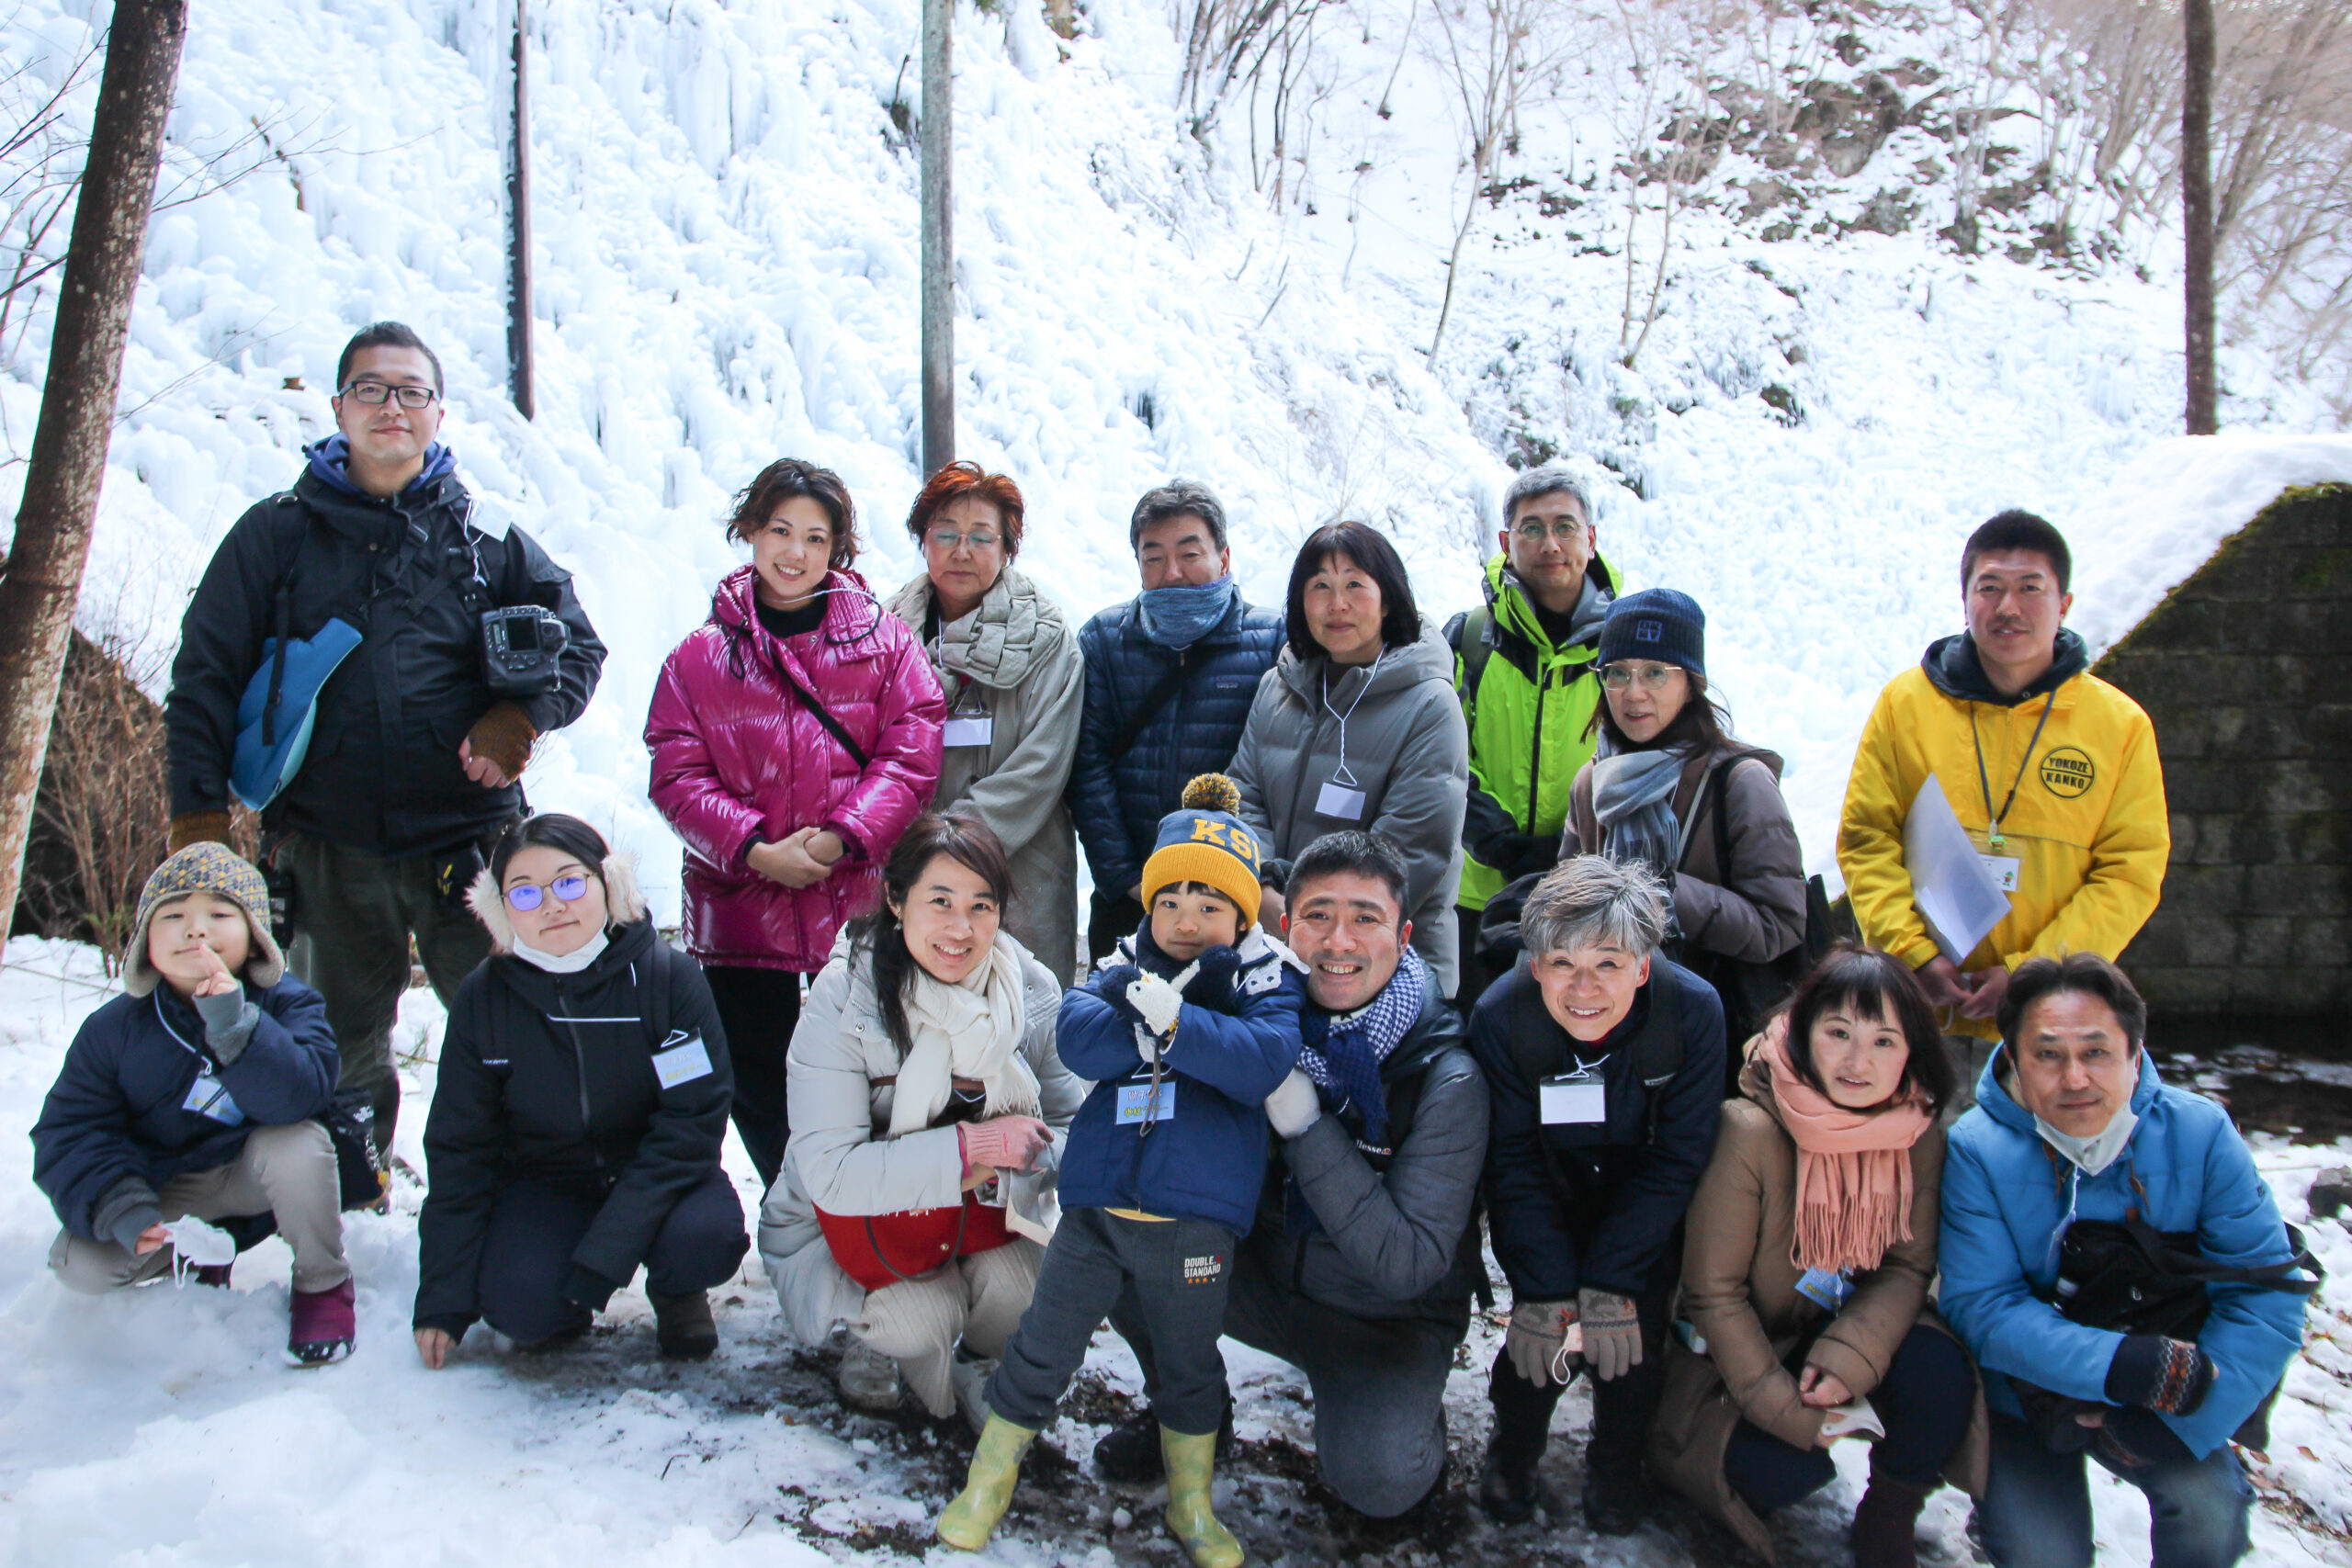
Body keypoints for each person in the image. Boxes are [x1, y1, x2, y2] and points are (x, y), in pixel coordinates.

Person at [165, 321, 607, 1162]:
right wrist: (198, 819)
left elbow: (579, 645)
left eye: (410, 391)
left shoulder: (489, 535)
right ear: (339, 407)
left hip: (472, 841)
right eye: (371, 388)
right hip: (328, 845)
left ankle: (521, 1185)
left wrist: (520, 717)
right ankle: (351, 1191)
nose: (391, 407)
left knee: (521, 1026)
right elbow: (203, 676)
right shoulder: (276, 535)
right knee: (334, 1048)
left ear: (438, 412)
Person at [937, 774, 1306, 1568]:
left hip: (1194, 1218)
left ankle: (1192, 1499)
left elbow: (1260, 1061)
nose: (1185, 919)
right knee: (1044, 1342)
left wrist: (1179, 1021)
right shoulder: (1121, 960)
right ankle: (988, 1479)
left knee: (1188, 1360)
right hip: (1099, 1209)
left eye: (1210, 905)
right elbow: (1079, 1036)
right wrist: (1149, 1035)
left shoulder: (1265, 978)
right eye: (1170, 900)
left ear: (1242, 913)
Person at [1093, 829, 1489, 1520]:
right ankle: (1194, 1411)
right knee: (1118, 1241)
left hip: (1383, 1318)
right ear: (1285, 927)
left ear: (1403, 934)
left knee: (1380, 1479)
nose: (1339, 940)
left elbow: (1408, 1264)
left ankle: (1411, 1431)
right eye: (1317, 916)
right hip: (1265, 1276)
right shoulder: (1259, 1019)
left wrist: (1306, 1128)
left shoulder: (1444, 1074)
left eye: (1365, 918)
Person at [1939, 954, 2307, 1568]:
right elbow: (1983, 1306)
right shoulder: (1975, 1149)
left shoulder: (2201, 1133)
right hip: (2028, 1393)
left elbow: (2267, 1290)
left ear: (2135, 1055)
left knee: (2210, 1512)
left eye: (2097, 1051)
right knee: (2040, 1553)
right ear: (2014, 1059)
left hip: (2172, 1385)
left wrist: (2188, 1412)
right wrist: (2116, 1367)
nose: (2075, 1076)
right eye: (2048, 1053)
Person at [646, 458, 945, 1190]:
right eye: (779, 530)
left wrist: (845, 833)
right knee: (756, 1073)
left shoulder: (885, 644)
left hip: (861, 896)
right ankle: (797, 1213)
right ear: (748, 531)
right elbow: (674, 771)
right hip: (742, 904)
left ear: (836, 549)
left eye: (815, 537)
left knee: (877, 1065)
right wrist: (752, 847)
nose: (794, 552)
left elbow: (913, 747)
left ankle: (872, 1210)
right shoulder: (699, 657)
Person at [1650, 945, 1982, 1568]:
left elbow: (1907, 1267)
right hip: (1739, 1352)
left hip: (1836, 1325)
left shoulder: (1917, 1132)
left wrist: (1849, 1353)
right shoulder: (1749, 1127)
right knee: (1777, 1467)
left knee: (1940, 1372)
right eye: (1838, 1033)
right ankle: (1706, 1483)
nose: (1859, 1061)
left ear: (1912, 1051)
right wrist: (1784, 1407)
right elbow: (1713, 1294)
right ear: (1804, 1033)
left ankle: (1889, 1511)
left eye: (1885, 1040)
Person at [760, 814, 1084, 1423]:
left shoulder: (1030, 990)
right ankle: (871, 1333)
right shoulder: (846, 997)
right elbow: (829, 1171)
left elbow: (1077, 1130)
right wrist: (978, 1146)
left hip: (984, 1216)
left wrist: (1029, 1156)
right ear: (895, 898)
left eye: (981, 906)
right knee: (921, 1318)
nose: (961, 928)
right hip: (849, 1226)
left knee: (1027, 1286)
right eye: (940, 901)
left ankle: (983, 1357)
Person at [1838, 511, 2168, 1096]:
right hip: (1916, 1013)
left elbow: (2130, 874)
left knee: (2035, 1177)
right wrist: (1912, 954)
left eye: (2029, 589)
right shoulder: (1905, 706)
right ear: (1964, 599)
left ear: (2064, 603)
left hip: (2050, 1025)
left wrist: (2032, 974)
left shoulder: (2119, 726)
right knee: (1913, 1178)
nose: (2007, 607)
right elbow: (1867, 839)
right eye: (1989, 587)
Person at [413, 815, 748, 1362]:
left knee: (704, 1239)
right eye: (524, 894)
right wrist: (443, 1298)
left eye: (569, 882)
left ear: (608, 884)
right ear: (500, 911)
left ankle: (676, 1289)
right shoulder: (484, 999)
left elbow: (691, 1123)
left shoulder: (667, 981)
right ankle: (559, 1302)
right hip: (547, 1182)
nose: (552, 905)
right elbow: (460, 1148)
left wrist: (606, 1252)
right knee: (522, 1310)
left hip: (659, 1174)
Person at [1473, 854, 1725, 1535]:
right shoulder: (1504, 1019)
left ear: (1642, 966)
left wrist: (1613, 1277)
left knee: (1631, 1347)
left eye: (1608, 964)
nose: (1583, 988)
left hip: (1642, 1196)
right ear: (1534, 964)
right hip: (1547, 1193)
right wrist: (1547, 1287)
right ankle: (1516, 1444)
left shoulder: (1691, 1014)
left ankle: (1617, 1460)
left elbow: (1678, 1156)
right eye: (1562, 963)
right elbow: (1511, 1160)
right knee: (1539, 1344)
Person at [32, 843, 354, 1365]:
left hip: (256, 1178)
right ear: (145, 941)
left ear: (253, 937)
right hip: (167, 1190)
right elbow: (70, 1130)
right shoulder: (111, 1030)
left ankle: (322, 1285)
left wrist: (235, 1027)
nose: (196, 929)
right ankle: (197, 1255)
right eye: (174, 915)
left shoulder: (289, 1001)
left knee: (299, 1142)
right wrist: (122, 1207)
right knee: (77, 1264)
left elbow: (304, 1094)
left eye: (220, 915)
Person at [1562, 589, 1805, 1060]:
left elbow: (1780, 927)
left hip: (1713, 1033)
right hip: (1610, 1023)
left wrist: (1669, 896)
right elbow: (1567, 906)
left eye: (1656, 673)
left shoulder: (1739, 783)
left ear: (1691, 681)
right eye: (1618, 673)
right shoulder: (1593, 783)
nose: (1634, 693)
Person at [1230, 520, 1470, 994]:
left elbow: (1411, 848)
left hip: (1382, 964)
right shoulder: (1279, 686)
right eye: (1320, 586)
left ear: (1389, 596)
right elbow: (1243, 794)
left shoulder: (1428, 703)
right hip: (1271, 946)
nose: (1336, 604)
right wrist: (1257, 886)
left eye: (1354, 585)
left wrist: (1303, 920)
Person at [1068, 480, 1283, 963]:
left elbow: (1279, 769)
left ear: (1223, 558)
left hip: (1234, 896)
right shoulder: (1105, 640)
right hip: (1132, 894)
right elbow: (1087, 764)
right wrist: (1126, 878)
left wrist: (1247, 879)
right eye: (1154, 557)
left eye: (1189, 554)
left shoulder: (1271, 641)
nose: (1172, 573)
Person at [885, 462, 1086, 978]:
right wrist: (915, 856)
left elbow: (1040, 767)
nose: (962, 550)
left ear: (1006, 548)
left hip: (1018, 869)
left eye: (981, 537)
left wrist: (948, 846)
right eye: (945, 534)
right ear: (923, 540)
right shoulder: (884, 630)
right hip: (907, 871)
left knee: (1020, 1029)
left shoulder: (1047, 637)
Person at [1449, 463, 1622, 1007]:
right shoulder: (1471, 638)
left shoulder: (1624, 646)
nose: (1550, 543)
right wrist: (1498, 842)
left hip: (1592, 896)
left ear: (1590, 540)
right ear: (1506, 541)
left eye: (1565, 527)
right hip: (1474, 893)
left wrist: (1572, 848)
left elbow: (1649, 753)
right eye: (1532, 528)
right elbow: (1441, 754)